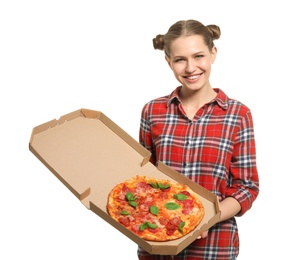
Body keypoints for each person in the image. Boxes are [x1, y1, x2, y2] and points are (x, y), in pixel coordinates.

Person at [137, 19, 259, 260]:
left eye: (198, 56)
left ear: (213, 54)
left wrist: (205, 217)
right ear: (168, 62)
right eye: (180, 59)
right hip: (157, 245)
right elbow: (141, 178)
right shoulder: (152, 111)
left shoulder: (237, 114)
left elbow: (247, 187)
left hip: (213, 247)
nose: (191, 68)